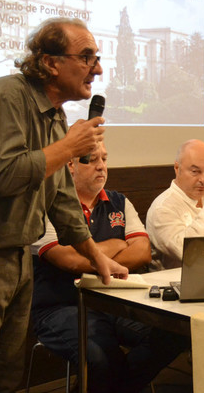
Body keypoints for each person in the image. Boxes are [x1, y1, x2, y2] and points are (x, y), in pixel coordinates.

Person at [0, 17, 128, 393]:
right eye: (86, 57)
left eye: (96, 58)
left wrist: (96, 257)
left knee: (7, 379)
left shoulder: (55, 115)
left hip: (18, 258)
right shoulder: (5, 96)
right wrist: (68, 146)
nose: (97, 69)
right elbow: (4, 176)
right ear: (50, 62)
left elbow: (62, 199)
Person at [31, 142, 187, 393]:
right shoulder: (47, 203)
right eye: (92, 160)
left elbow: (142, 252)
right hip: (62, 306)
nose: (101, 166)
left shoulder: (119, 202)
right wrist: (116, 243)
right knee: (102, 358)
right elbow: (68, 260)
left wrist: (92, 255)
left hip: (117, 301)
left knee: (174, 334)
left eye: (104, 159)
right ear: (70, 165)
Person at [147, 139, 204, 269]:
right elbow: (189, 252)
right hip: (171, 283)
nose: (203, 180)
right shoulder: (163, 207)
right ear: (177, 168)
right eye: (195, 172)